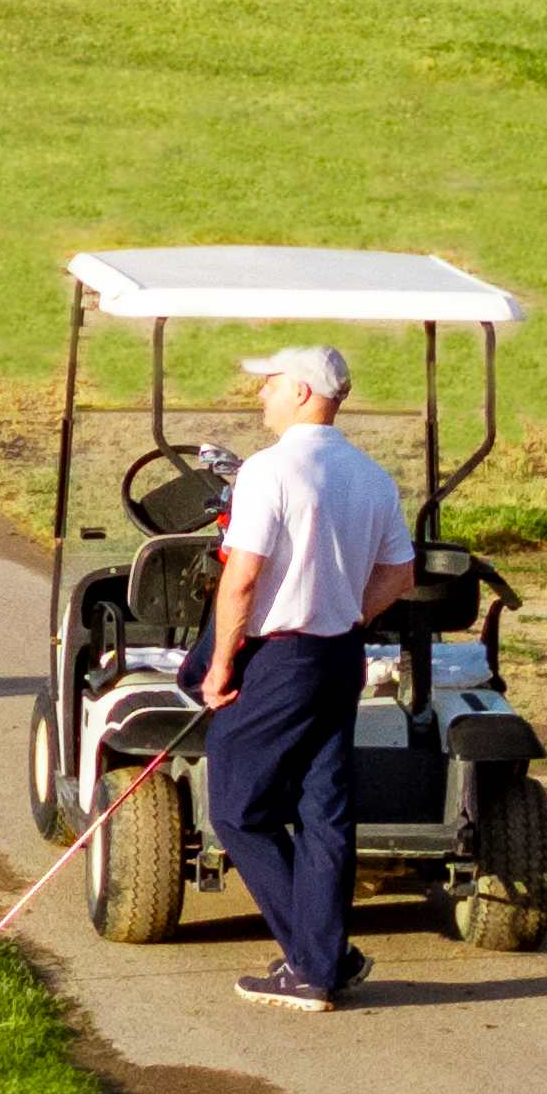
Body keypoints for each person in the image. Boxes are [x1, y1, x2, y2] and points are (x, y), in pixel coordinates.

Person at [194, 335, 410, 1013]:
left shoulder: (267, 471)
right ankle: (322, 959)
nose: (259, 393)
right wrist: (349, 613)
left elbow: (241, 579)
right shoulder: (373, 478)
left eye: (269, 382)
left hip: (280, 659)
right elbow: (399, 573)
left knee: (236, 809)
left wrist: (219, 667)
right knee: (323, 813)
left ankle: (317, 963)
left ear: (302, 392)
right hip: (338, 654)